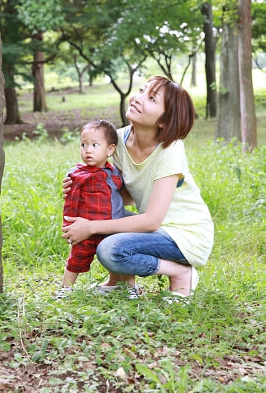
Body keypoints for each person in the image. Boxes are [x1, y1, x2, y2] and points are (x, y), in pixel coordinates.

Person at [62, 76, 214, 300]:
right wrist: (85, 188)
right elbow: (122, 196)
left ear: (164, 120)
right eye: (142, 91)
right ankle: (121, 283)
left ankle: (181, 272)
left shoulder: (170, 150)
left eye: (151, 98)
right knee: (101, 214)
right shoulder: (119, 140)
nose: (138, 98)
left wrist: (92, 227)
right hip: (155, 228)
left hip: (185, 234)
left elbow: (151, 220)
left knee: (110, 249)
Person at [56, 120, 136, 299]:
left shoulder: (114, 173)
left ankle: (131, 288)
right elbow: (71, 202)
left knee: (119, 258)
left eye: (94, 145)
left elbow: (121, 194)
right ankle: (65, 289)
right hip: (85, 228)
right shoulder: (77, 174)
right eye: (83, 145)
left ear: (110, 150)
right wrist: (69, 225)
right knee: (76, 258)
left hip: (110, 226)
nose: (88, 150)